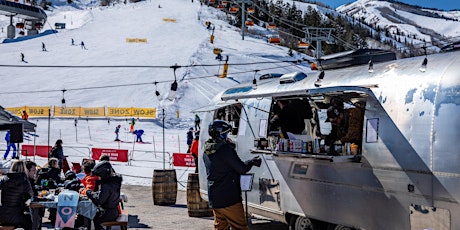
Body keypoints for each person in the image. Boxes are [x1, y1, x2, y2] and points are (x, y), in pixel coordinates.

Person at [203, 120, 261, 230]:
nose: (227, 136)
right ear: (220, 134)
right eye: (225, 133)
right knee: (240, 227)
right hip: (229, 198)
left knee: (221, 227)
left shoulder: (207, 150)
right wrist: (252, 161)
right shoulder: (225, 150)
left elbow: (222, 165)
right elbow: (241, 168)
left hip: (215, 197)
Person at [85, 161, 122, 230]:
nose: (98, 178)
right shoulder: (115, 181)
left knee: (95, 220)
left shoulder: (107, 185)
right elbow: (105, 195)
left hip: (108, 213)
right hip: (114, 211)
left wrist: (89, 193)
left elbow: (99, 200)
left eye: (99, 176)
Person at [0, 160, 33, 229]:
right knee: (30, 221)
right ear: (24, 168)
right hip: (16, 215)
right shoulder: (24, 180)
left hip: (2, 215)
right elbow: (31, 194)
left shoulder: (4, 179)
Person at [26, 160, 44, 230]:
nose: (35, 172)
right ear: (27, 171)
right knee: (36, 212)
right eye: (33, 170)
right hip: (22, 213)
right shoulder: (26, 182)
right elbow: (29, 198)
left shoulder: (29, 181)